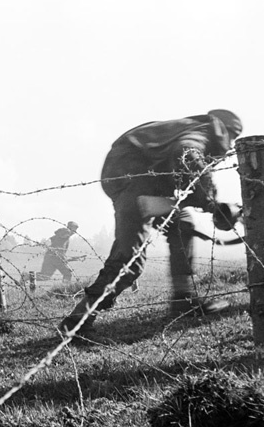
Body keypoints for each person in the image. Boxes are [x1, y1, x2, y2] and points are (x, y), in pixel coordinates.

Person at [60, 110, 243, 333]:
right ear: (223, 129)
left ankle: (183, 300)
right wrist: (211, 201)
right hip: (135, 186)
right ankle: (77, 322)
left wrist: (206, 200)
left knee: (182, 224)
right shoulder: (202, 131)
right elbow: (187, 152)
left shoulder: (188, 127)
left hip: (141, 184)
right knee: (129, 263)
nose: (229, 146)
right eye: (232, 137)